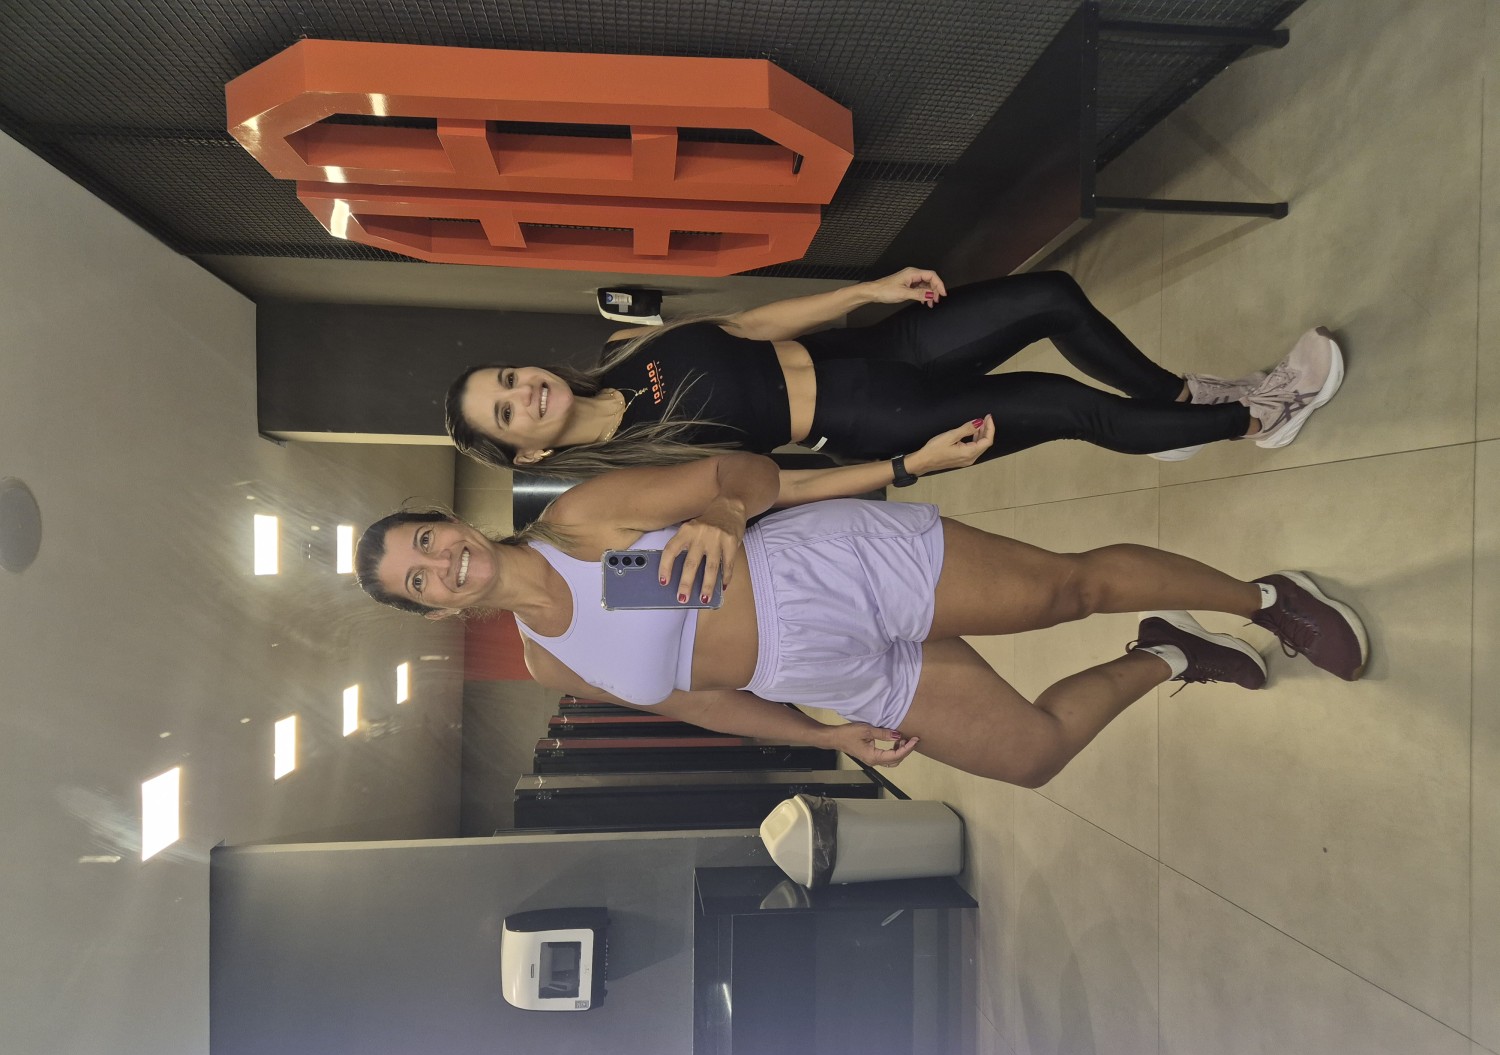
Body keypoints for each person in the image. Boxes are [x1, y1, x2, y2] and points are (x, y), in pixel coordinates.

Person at [355, 454, 1368, 784]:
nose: (441, 565)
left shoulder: (579, 523)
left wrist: (721, 512)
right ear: (427, 609)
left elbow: (745, 473)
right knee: (1030, 754)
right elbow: (700, 702)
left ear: (450, 521)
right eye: (419, 580)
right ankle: (1170, 653)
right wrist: (821, 734)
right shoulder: (547, 663)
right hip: (819, 673)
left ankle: (1268, 600)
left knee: (1067, 590)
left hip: (831, 575)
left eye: (426, 541)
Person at [445, 269, 1344, 490]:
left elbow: (748, 327)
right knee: (1072, 407)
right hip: (883, 416)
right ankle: (1257, 417)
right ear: (524, 452)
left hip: (882, 348)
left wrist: (865, 292)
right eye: (506, 410)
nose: (524, 391)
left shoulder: (624, 351)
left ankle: (1179, 400)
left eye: (508, 377)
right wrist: (912, 467)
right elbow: (778, 494)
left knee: (1051, 297)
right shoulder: (639, 468)